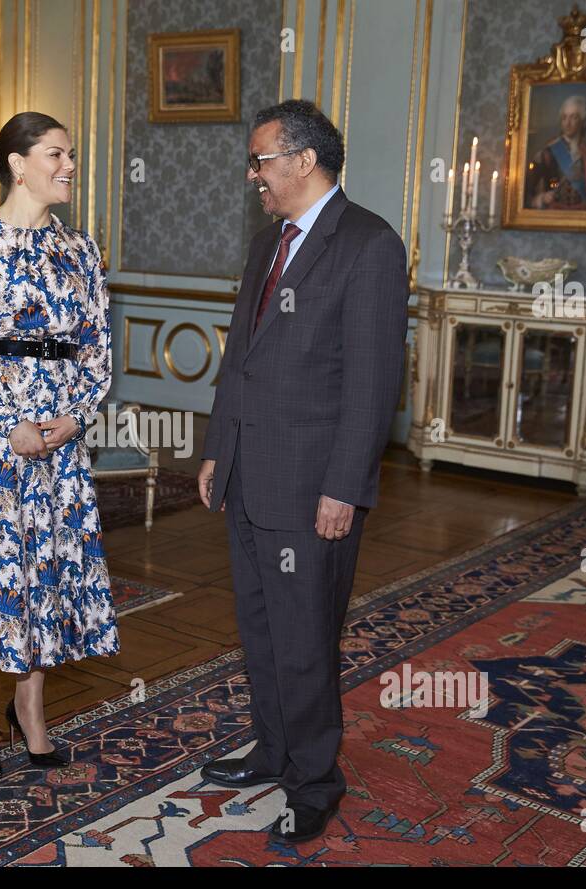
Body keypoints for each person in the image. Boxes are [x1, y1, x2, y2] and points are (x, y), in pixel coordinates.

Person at [196, 99, 408, 843]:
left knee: (306, 635)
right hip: (251, 473)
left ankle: (315, 781)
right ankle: (273, 750)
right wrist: (219, 450)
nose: (253, 174)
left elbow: (373, 385)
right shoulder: (268, 243)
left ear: (303, 161)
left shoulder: (369, 245)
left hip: (315, 485)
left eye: (261, 160)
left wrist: (344, 488)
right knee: (259, 626)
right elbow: (239, 361)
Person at [0, 111, 119, 777]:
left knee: (45, 571)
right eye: (55, 154)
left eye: (71, 154)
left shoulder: (80, 250)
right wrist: (9, 418)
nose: (69, 166)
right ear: (17, 164)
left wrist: (77, 413)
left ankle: (32, 709)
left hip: (60, 439)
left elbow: (97, 346)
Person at [525, 94, 586, 210]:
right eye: (564, 118)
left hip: (584, 219)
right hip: (553, 218)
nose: (567, 123)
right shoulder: (547, 154)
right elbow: (527, 194)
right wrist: (542, 197)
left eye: (573, 117)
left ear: (582, 120)